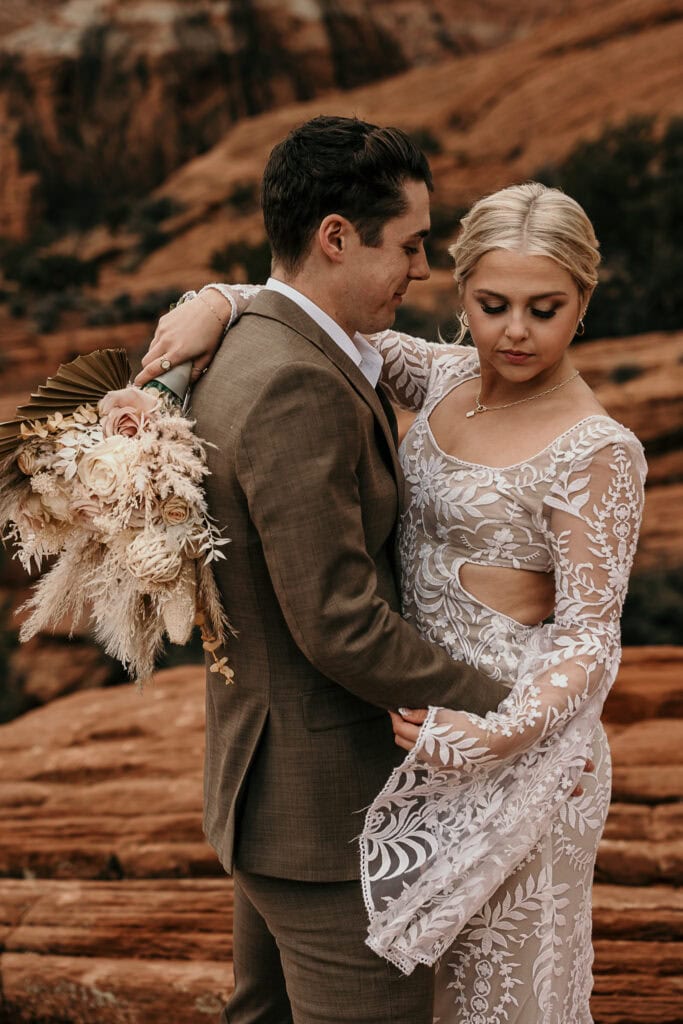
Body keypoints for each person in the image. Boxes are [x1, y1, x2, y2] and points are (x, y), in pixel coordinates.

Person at [138, 179, 645, 1023]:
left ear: (583, 301)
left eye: (544, 308)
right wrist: (218, 302)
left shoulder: (599, 451)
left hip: (510, 748)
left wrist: (493, 734)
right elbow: (312, 318)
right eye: (490, 304)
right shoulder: (441, 374)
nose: (513, 332)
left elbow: (591, 644)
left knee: (492, 999)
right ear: (461, 295)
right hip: (411, 743)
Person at [136, 115, 512, 1024]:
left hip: (276, 790)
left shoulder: (253, 339)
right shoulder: (292, 382)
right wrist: (508, 702)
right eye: (411, 245)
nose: (422, 270)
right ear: (335, 237)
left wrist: (220, 296)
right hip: (327, 815)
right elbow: (338, 621)